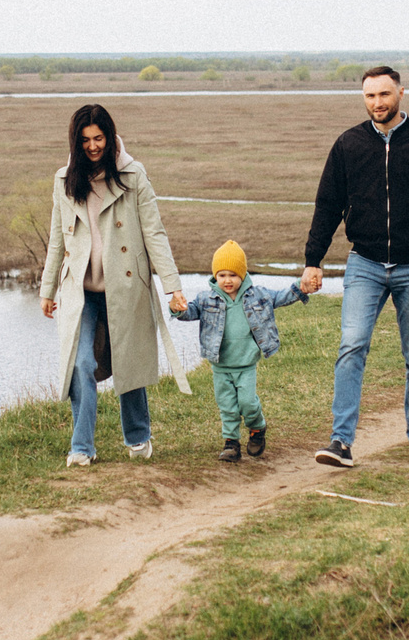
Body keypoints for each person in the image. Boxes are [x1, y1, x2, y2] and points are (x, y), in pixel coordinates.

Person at [299, 66, 409, 467]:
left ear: (401, 93)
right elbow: (328, 206)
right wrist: (313, 260)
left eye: (384, 94)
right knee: (351, 346)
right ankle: (340, 442)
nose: (377, 103)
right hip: (365, 264)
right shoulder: (349, 145)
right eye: (370, 96)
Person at [39, 104, 188, 465]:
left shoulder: (133, 175)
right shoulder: (65, 180)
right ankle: (81, 447)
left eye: (99, 138)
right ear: (76, 141)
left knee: (129, 359)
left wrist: (173, 286)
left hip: (125, 285)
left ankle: (138, 437)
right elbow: (58, 239)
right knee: (81, 364)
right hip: (81, 290)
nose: (92, 146)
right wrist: (47, 290)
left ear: (110, 136)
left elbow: (154, 231)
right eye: (85, 140)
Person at [169, 239, 310, 461]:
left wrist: (300, 289)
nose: (227, 280)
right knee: (227, 405)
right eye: (222, 275)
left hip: (246, 364)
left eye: (233, 275)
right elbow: (189, 312)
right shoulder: (206, 299)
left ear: (242, 275)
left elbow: (280, 297)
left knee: (247, 402)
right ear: (215, 276)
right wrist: (176, 308)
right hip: (220, 365)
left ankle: (257, 428)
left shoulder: (257, 295)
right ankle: (231, 443)